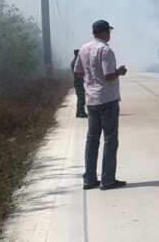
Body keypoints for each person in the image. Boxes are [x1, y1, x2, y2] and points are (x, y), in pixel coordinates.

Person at [73, 20, 127, 191]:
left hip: (91, 100)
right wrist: (120, 72)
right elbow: (109, 76)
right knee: (110, 140)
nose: (109, 35)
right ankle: (108, 180)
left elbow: (77, 71)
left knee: (92, 139)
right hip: (107, 99)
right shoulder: (105, 50)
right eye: (108, 31)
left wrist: (90, 80)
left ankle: (89, 179)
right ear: (104, 32)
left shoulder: (83, 49)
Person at [71, 49, 87, 118]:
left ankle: (79, 113)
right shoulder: (75, 62)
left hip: (79, 81)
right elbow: (77, 73)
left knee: (80, 98)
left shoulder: (76, 61)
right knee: (81, 98)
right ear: (76, 54)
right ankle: (81, 113)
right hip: (79, 82)